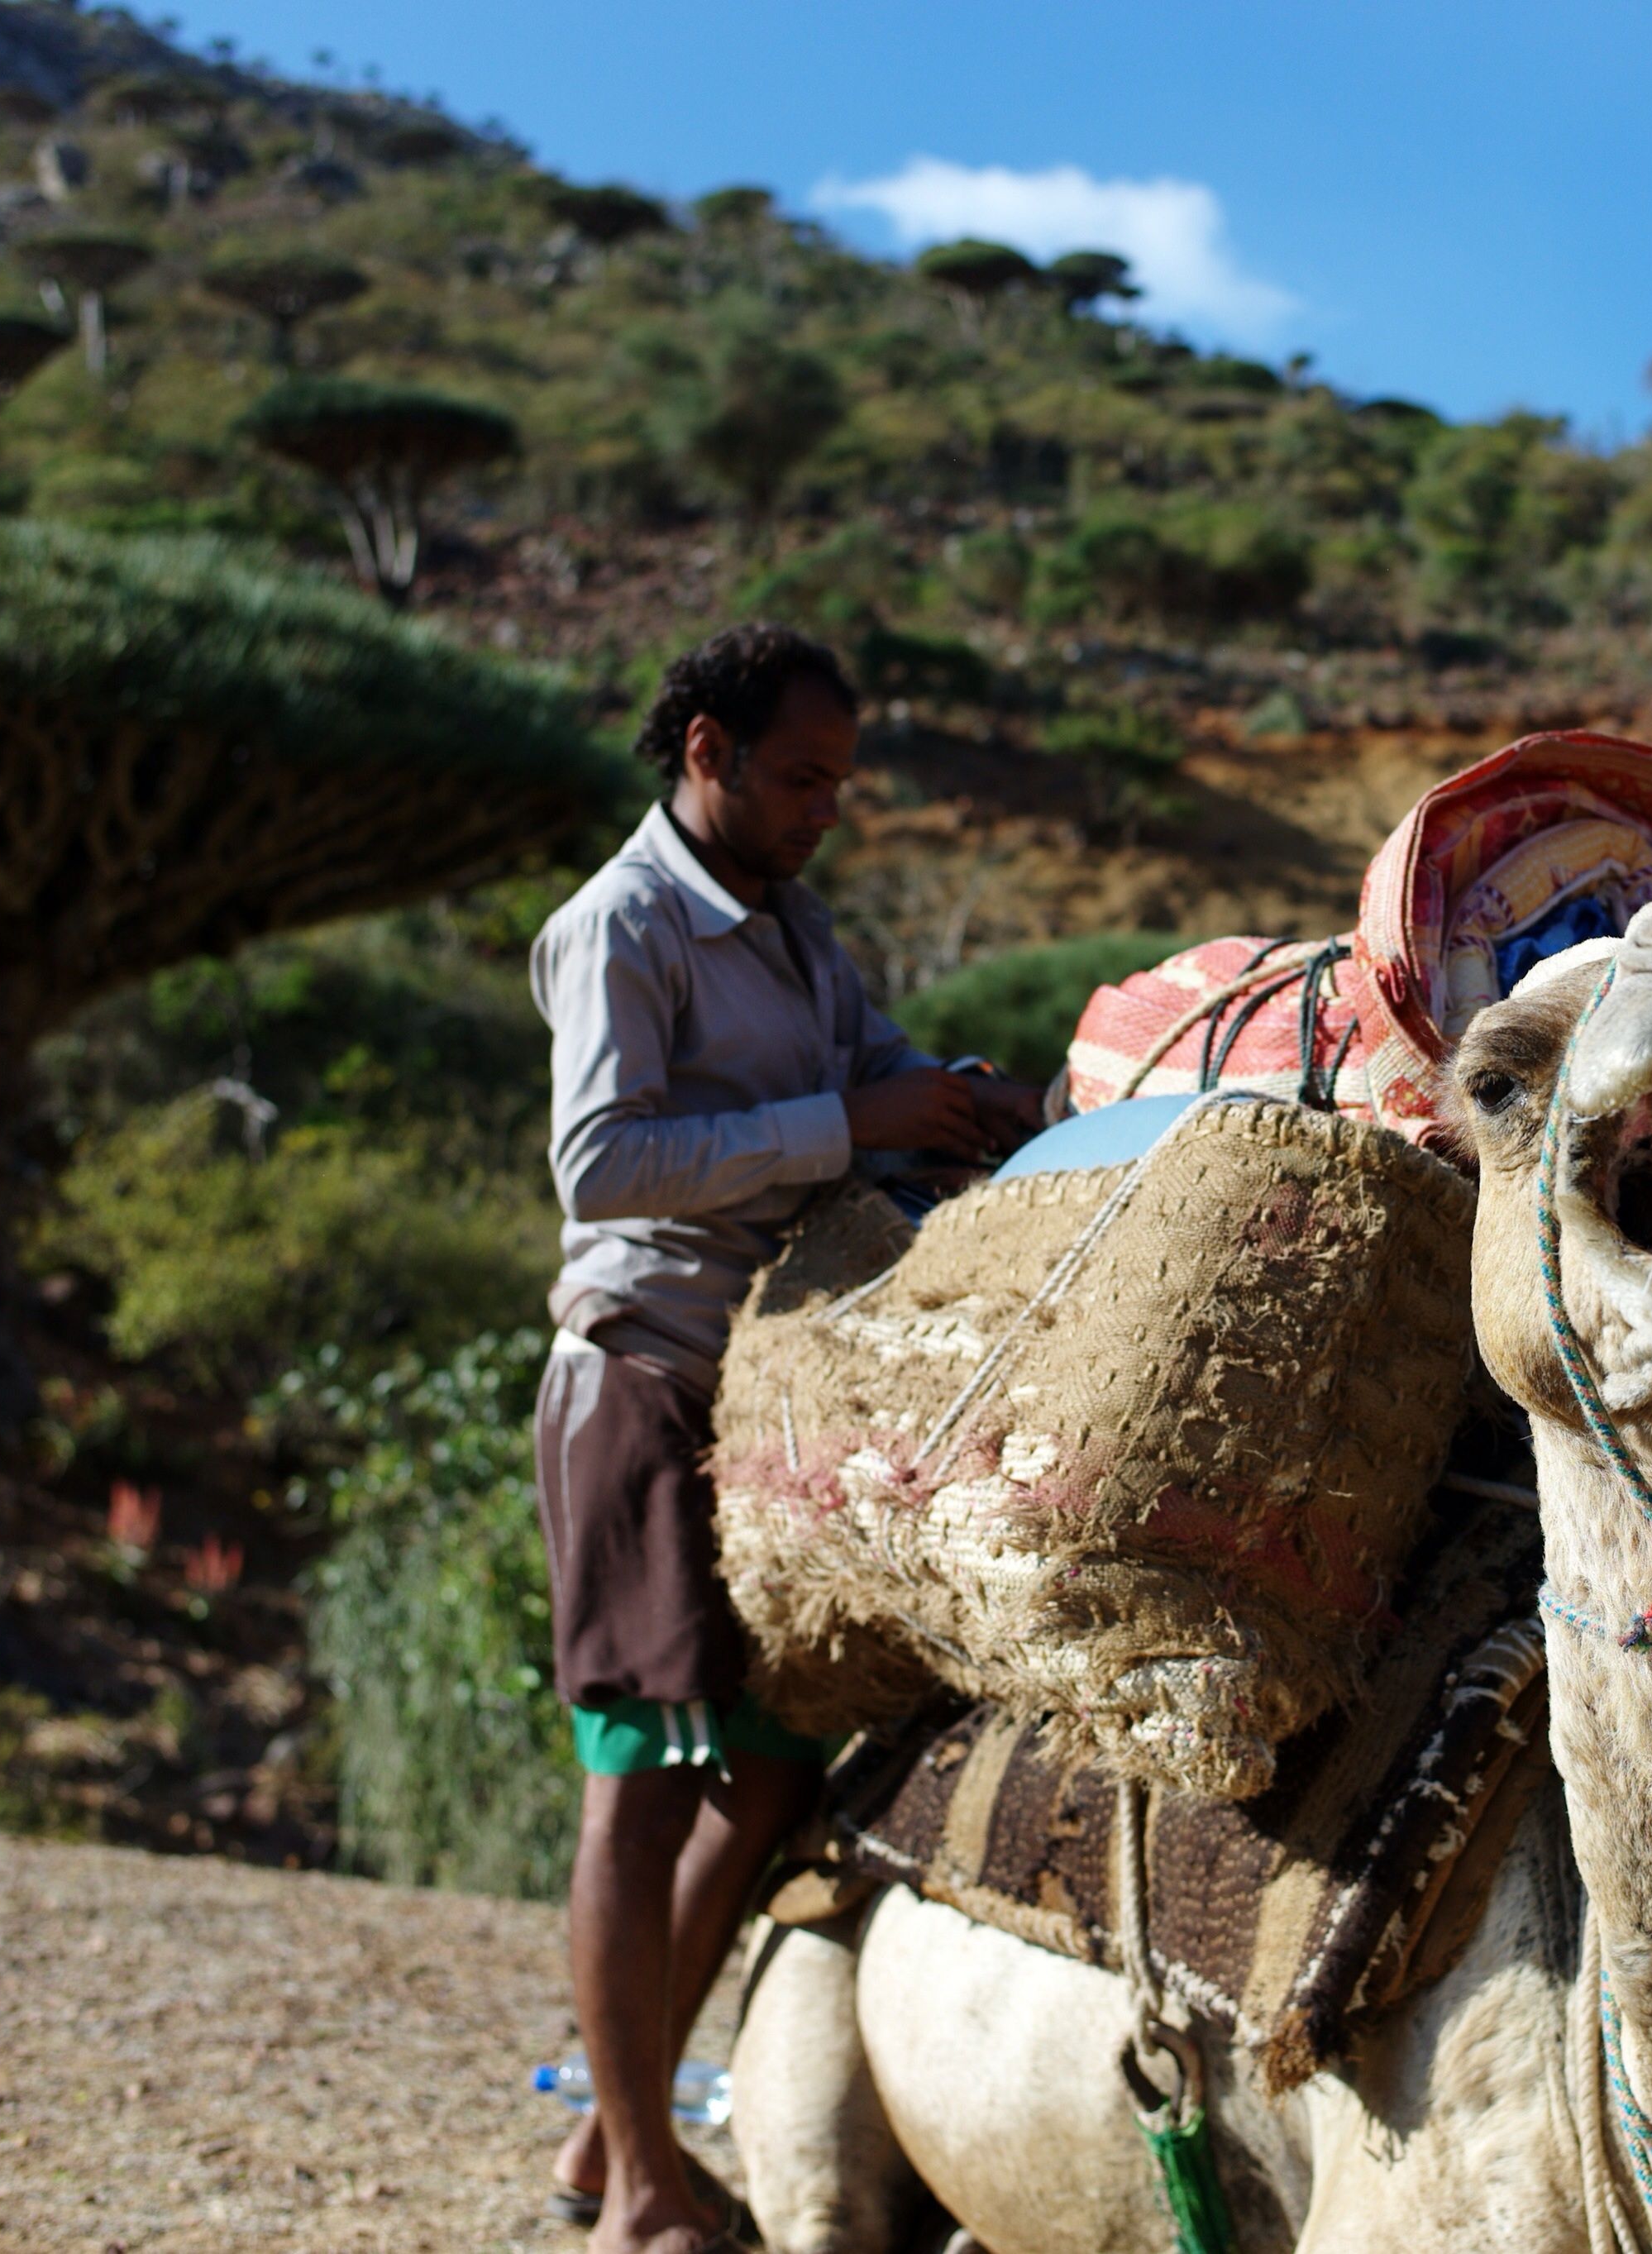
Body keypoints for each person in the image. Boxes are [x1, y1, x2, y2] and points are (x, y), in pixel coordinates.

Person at [528, 623, 1041, 2254]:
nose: (827, 806)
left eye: (839, 778)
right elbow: (600, 1162)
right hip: (647, 1380)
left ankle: (612, 2147)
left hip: (775, 1396)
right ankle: (642, 2198)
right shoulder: (619, 924)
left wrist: (948, 1096)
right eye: (802, 775)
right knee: (639, 1788)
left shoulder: (792, 923)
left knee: (759, 1775)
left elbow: (869, 1066)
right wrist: (846, 1129)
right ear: (705, 751)